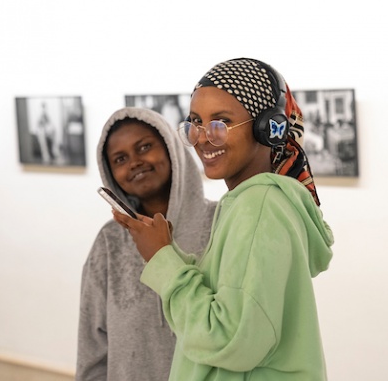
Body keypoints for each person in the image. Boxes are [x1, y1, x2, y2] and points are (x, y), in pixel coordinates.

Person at [113, 58, 334, 380]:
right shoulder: (256, 202)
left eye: (221, 123)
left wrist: (161, 259)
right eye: (195, 123)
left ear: (267, 128)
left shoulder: (259, 206)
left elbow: (230, 340)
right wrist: (170, 252)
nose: (202, 138)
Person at [76, 107, 216, 381]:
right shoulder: (110, 242)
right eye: (120, 159)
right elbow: (92, 347)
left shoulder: (220, 222)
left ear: (170, 148)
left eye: (144, 147)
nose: (134, 162)